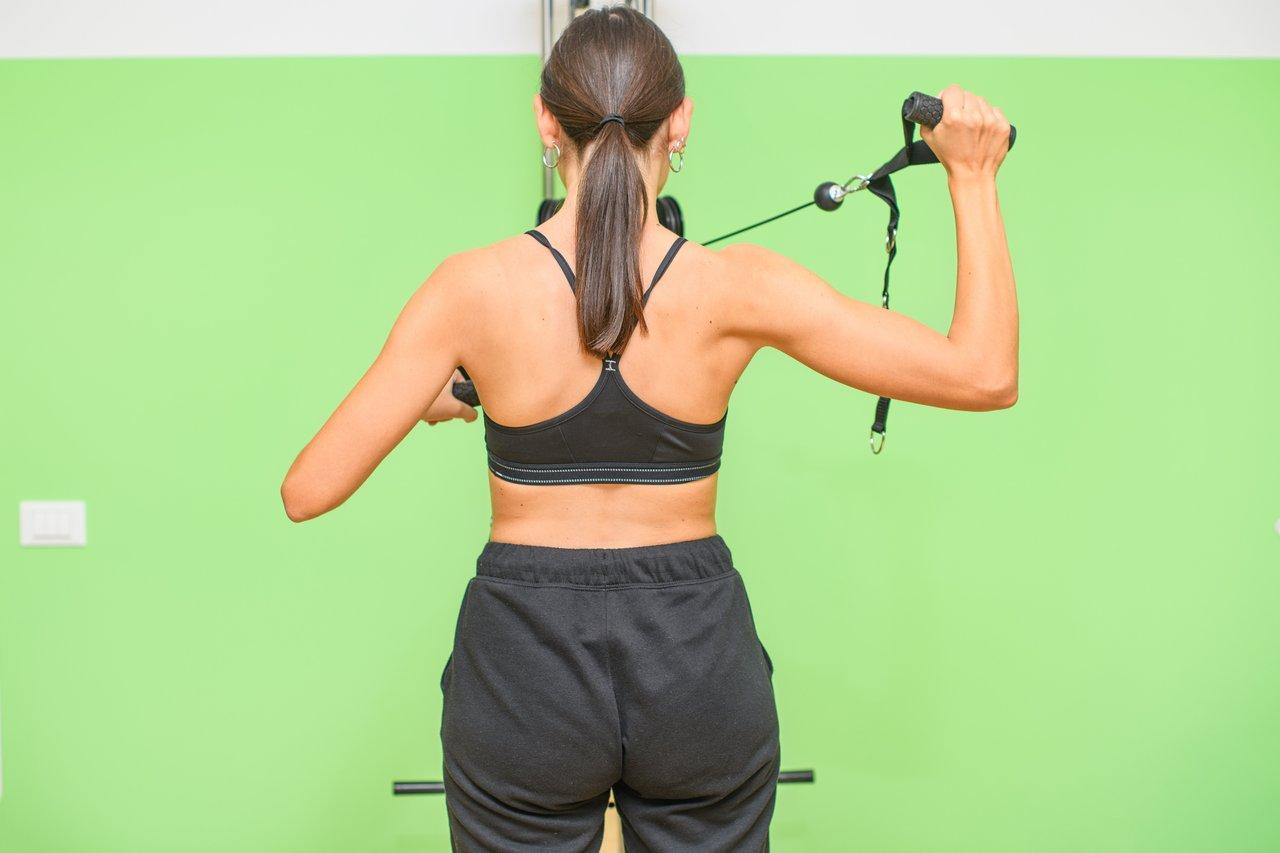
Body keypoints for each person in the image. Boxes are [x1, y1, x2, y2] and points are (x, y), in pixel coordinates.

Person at [280, 6, 1016, 851]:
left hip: (525, 671)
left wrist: (421, 396)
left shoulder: (471, 290)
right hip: (695, 666)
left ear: (545, 122)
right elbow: (985, 374)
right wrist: (974, 177)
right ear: (681, 124)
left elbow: (308, 490)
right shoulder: (738, 287)